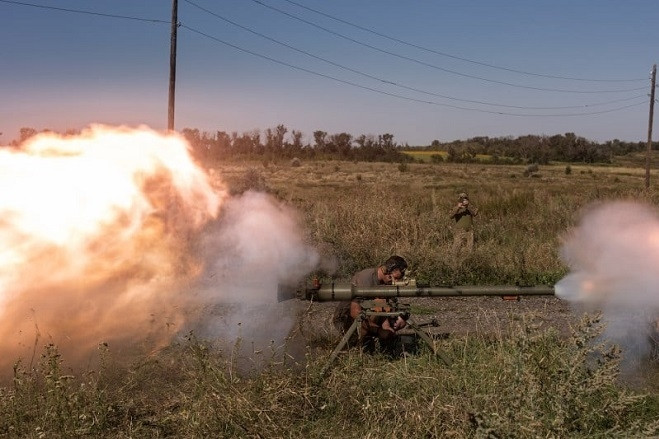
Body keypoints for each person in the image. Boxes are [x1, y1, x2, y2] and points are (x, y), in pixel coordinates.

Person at [332, 255, 409, 352]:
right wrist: (379, 330)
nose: (395, 281)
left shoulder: (387, 281)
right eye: (394, 278)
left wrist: (388, 326)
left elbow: (386, 305)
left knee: (399, 319)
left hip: (368, 314)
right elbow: (355, 312)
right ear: (386, 270)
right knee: (377, 304)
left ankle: (378, 343)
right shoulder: (365, 278)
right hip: (346, 318)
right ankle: (359, 347)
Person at [451, 192, 478, 258]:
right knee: (456, 248)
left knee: (469, 248)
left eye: (465, 199)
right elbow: (450, 216)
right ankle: (454, 261)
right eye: (462, 199)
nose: (463, 201)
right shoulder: (456, 208)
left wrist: (468, 206)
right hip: (459, 231)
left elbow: (475, 213)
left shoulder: (470, 207)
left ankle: (468, 261)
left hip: (469, 230)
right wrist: (458, 207)